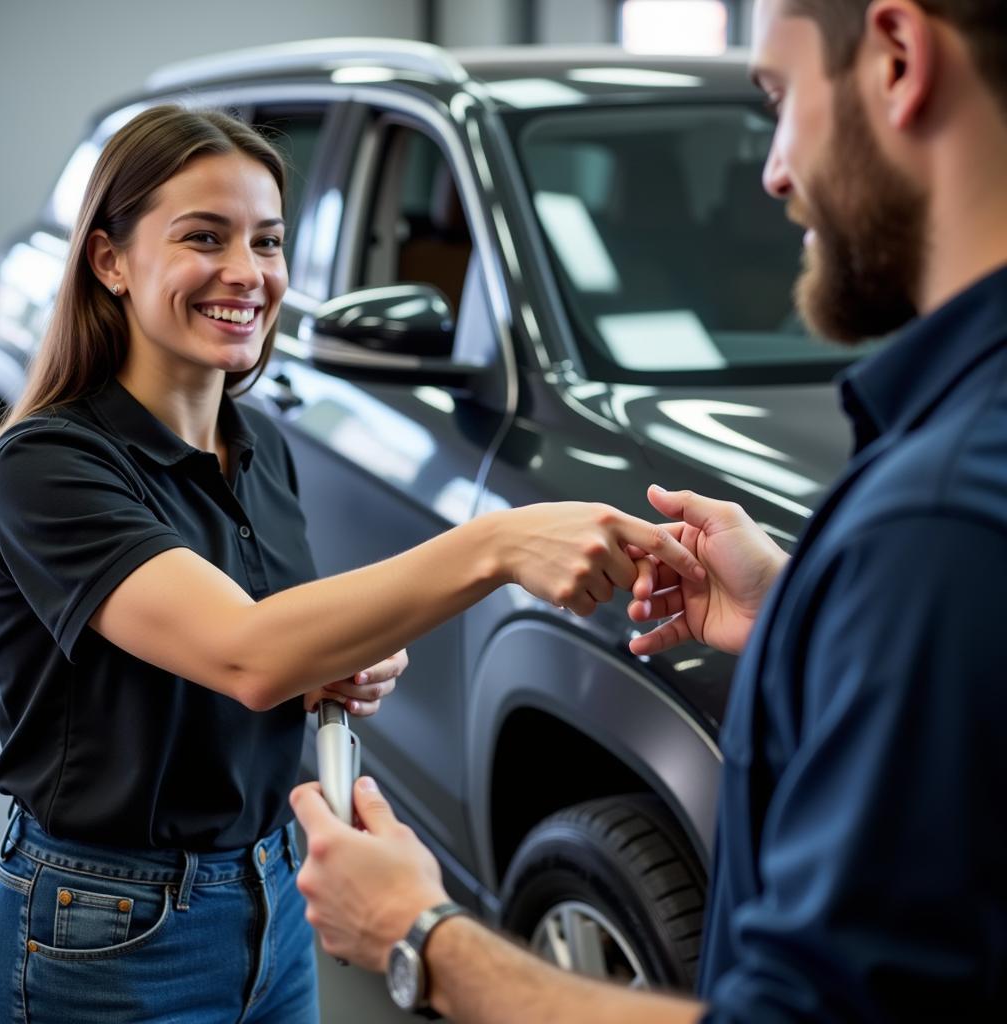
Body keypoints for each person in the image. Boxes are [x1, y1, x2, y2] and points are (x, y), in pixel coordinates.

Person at [290, 0, 1007, 1019]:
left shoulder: (930, 524)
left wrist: (422, 938)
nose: (771, 171)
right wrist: (804, 615)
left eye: (780, 97)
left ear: (896, 57)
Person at [0, 105, 703, 1023]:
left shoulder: (261, 448)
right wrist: (496, 544)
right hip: (103, 926)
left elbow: (280, 642)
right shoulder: (46, 465)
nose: (247, 273)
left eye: (269, 242)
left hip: (275, 893)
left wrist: (339, 660)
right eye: (205, 237)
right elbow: (248, 651)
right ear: (110, 260)